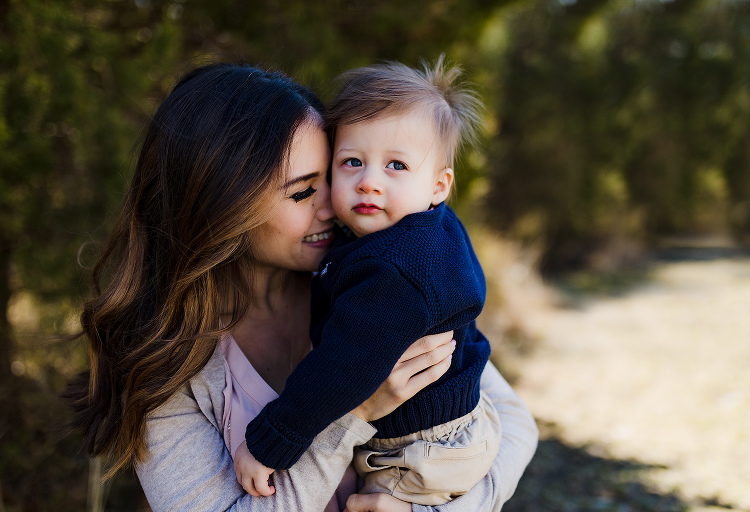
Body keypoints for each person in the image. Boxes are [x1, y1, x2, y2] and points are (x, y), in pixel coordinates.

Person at [65, 62, 538, 512]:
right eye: (302, 191)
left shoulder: (365, 277)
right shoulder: (166, 364)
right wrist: (354, 414)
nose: (335, 203)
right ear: (222, 208)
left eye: (329, 174)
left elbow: (514, 423)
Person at [234, 56, 512, 507]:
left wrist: (270, 441)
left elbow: (342, 366)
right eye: (351, 162)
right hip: (453, 427)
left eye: (396, 166)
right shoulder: (417, 231)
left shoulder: (396, 271)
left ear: (439, 186)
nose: (368, 183)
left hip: (422, 449)